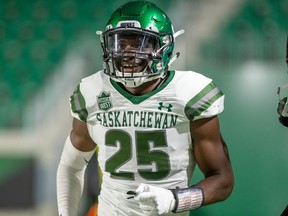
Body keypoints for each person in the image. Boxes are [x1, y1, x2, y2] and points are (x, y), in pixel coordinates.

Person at [56, 1, 234, 215]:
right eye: (120, 43)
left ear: (165, 46)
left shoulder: (189, 93)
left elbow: (222, 181)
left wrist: (175, 200)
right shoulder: (91, 91)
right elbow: (71, 167)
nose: (128, 53)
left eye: (141, 43)